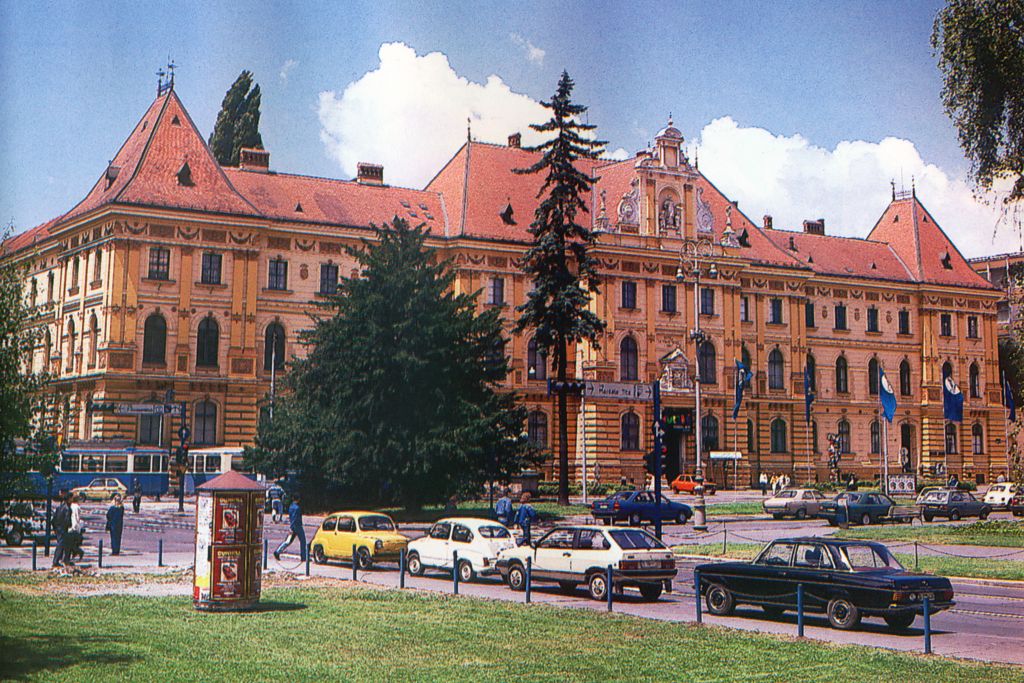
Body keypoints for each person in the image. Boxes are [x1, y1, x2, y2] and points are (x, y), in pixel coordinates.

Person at [274, 494, 305, 561]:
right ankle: (303, 557)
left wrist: (291, 527)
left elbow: (291, 517)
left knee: (288, 541)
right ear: (298, 499)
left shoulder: (291, 507)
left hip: (292, 526)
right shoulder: (297, 508)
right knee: (303, 541)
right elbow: (296, 518)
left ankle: (278, 551)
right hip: (298, 526)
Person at [51, 491, 72, 568]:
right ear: (69, 499)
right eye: (71, 498)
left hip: (58, 528)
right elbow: (67, 520)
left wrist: (55, 528)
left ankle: (64, 560)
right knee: (61, 544)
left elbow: (54, 519)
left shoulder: (60, 507)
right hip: (63, 529)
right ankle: (56, 561)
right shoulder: (67, 508)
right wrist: (69, 526)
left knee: (63, 544)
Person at [67, 492, 85, 563]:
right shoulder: (76, 506)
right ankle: (76, 553)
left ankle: (79, 552)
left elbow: (75, 517)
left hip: (73, 527)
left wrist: (74, 526)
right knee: (72, 543)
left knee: (70, 543)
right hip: (75, 526)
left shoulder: (73, 506)